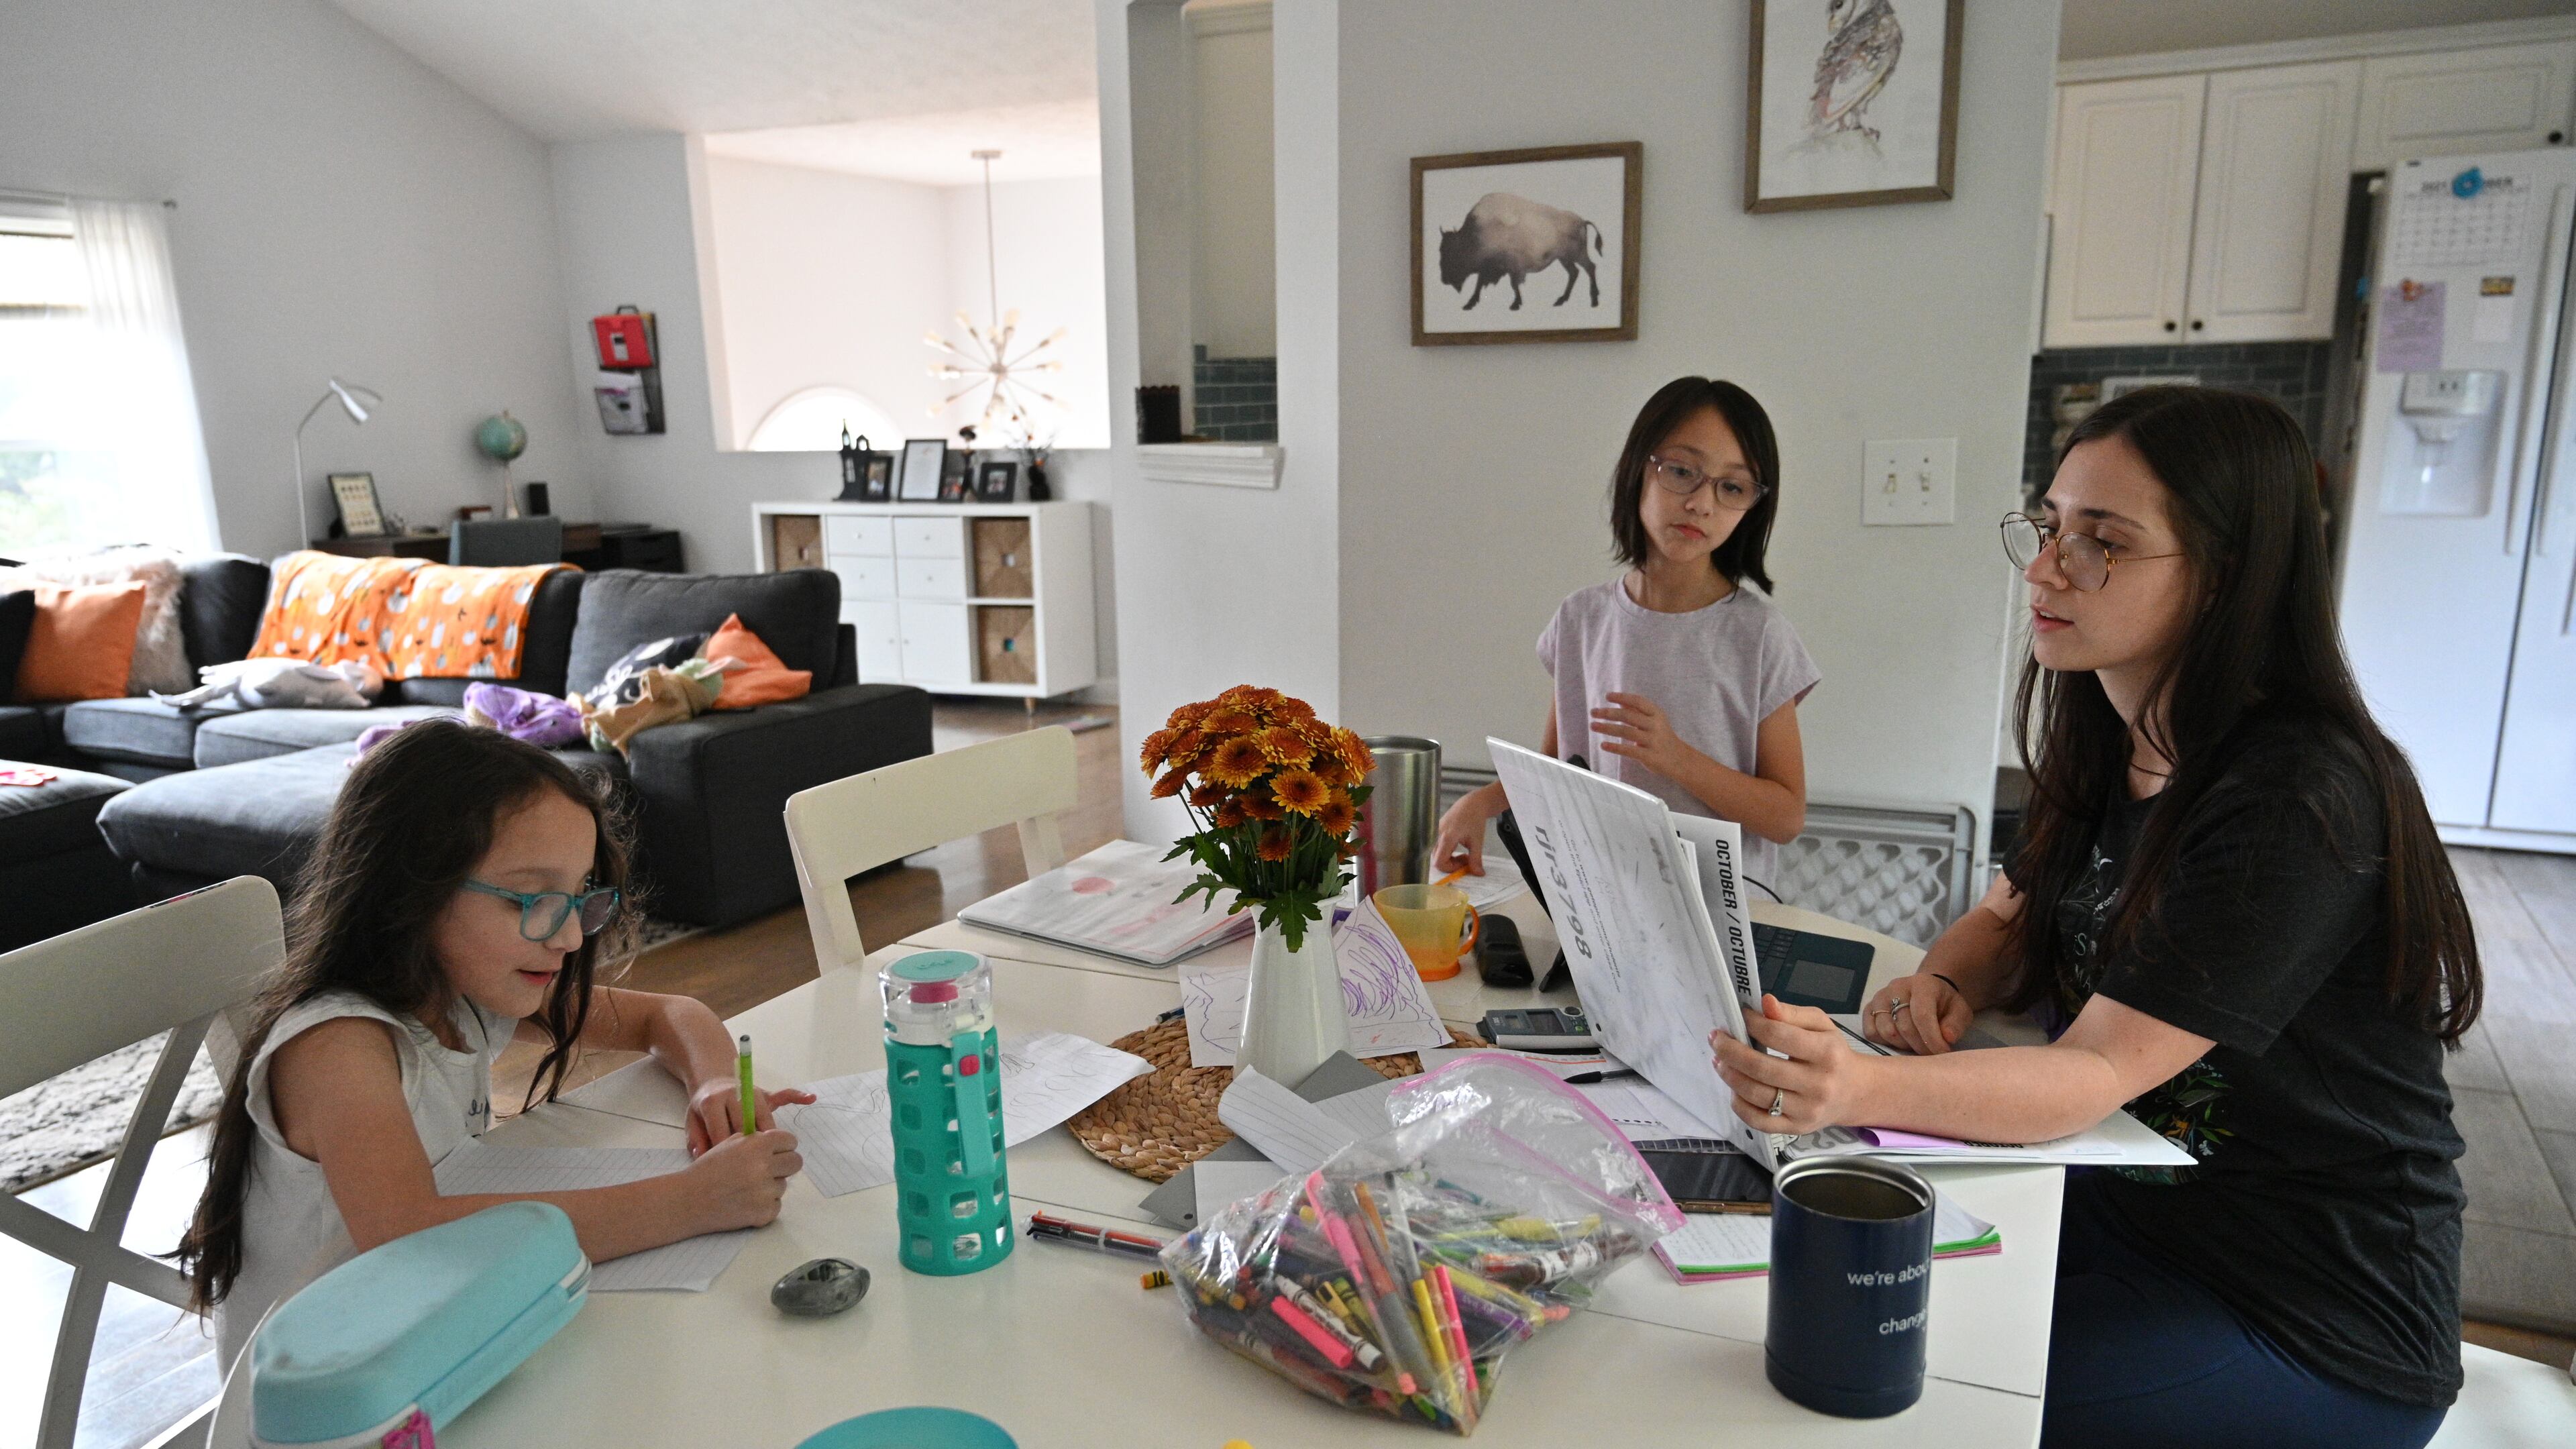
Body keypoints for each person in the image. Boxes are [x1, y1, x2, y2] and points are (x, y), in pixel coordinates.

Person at [1710, 387, 2477, 1448]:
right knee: (1801, 1332)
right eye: (2050, 527)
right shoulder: (2111, 729)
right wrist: (1950, 978)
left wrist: (1867, 1085)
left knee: (1894, 1402)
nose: (2046, 568)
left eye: (2101, 543)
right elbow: (2009, 915)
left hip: (2307, 1313)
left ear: (2227, 574)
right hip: (2120, 1212)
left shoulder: (2298, 794)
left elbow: (2098, 1069)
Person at [176, 720, 814, 1364]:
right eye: (534, 899)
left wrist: (714, 1082)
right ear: (411, 890)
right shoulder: (339, 1047)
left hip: (431, 1336)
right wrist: (692, 1202)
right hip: (323, 1395)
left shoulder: (462, 991)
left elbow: (669, 1015)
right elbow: (409, 1235)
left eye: (580, 898)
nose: (568, 939)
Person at [1433, 376, 1819, 890]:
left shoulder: (1760, 635)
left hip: (1721, 916)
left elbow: (1786, 818)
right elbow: (1556, 768)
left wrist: (1677, 758)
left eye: (1732, 487)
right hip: (1600, 903)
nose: (1702, 503)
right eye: (1682, 471)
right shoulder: (1581, 620)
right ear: (1640, 468)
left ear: (1752, 505)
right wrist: (1479, 803)